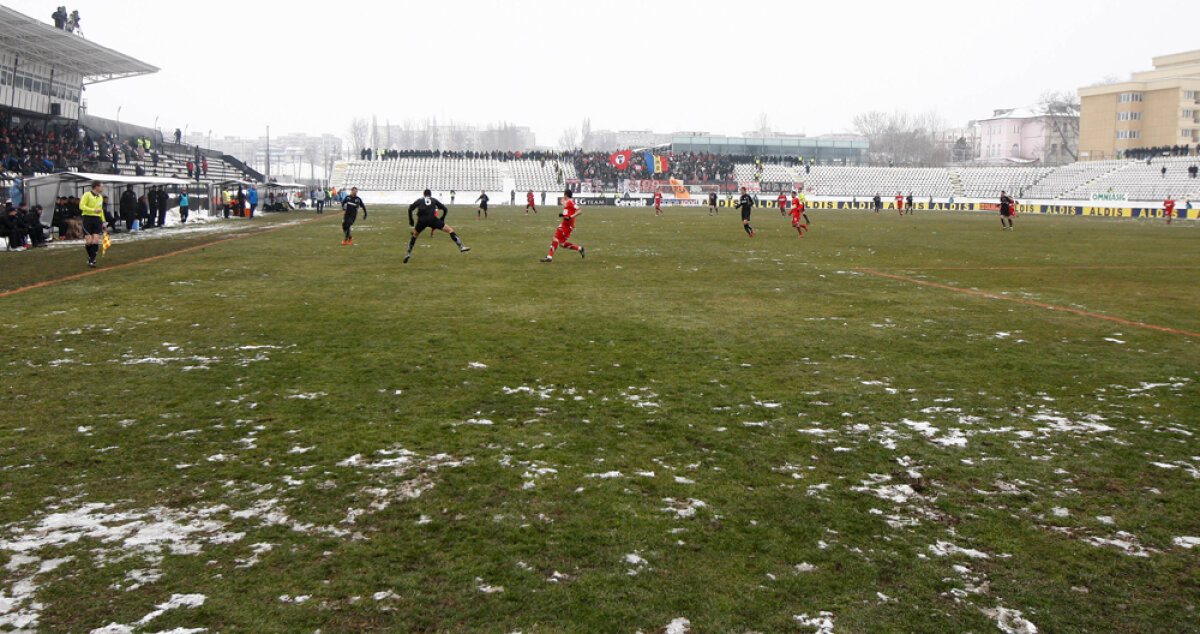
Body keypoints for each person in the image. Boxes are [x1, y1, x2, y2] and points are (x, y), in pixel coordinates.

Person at [404, 189, 469, 263]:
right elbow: (445, 209)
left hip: (422, 221)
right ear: (430, 195)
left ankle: (408, 254)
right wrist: (442, 218)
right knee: (450, 230)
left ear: (424, 194)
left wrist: (411, 220)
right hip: (432, 219)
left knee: (414, 236)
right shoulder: (433, 200)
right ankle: (461, 247)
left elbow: (410, 209)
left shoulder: (420, 200)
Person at [540, 189, 584, 262]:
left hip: (567, 225)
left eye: (564, 194)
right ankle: (580, 248)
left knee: (555, 238)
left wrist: (570, 217)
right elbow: (569, 212)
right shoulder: (567, 202)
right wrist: (563, 215)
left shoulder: (571, 202)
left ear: (566, 195)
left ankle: (549, 257)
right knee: (562, 244)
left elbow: (579, 211)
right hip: (566, 224)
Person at [79, 181, 106, 267]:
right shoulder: (87, 195)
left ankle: (92, 260)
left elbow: (100, 210)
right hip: (87, 218)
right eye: (101, 186)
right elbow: (81, 206)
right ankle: (91, 257)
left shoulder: (100, 197)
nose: (103, 188)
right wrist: (92, 210)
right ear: (96, 187)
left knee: (96, 239)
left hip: (97, 219)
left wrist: (103, 221)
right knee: (89, 241)